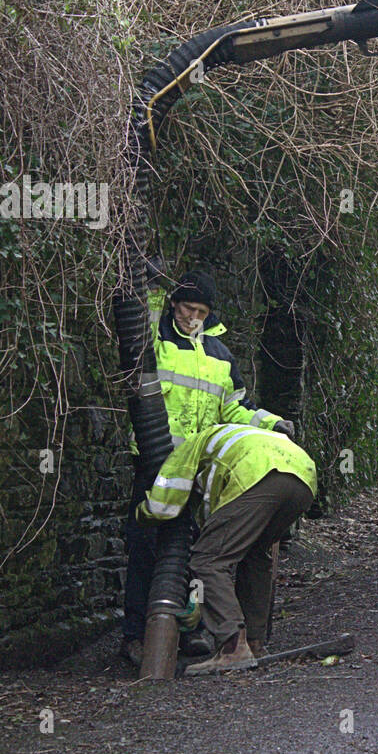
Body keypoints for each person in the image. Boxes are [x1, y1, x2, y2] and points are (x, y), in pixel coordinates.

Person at [120, 269, 294, 666]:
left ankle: (188, 632)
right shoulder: (156, 343)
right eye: (186, 308)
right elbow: (140, 320)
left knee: (192, 550)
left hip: (196, 472)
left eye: (200, 311)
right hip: (153, 464)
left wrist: (271, 424)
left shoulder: (220, 357)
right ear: (174, 306)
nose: (192, 317)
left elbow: (235, 409)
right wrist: (154, 286)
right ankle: (136, 636)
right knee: (146, 549)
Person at [137, 423, 318, 675]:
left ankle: (233, 646)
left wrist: (140, 516)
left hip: (259, 473)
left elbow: (163, 506)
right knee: (255, 554)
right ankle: (254, 643)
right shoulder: (237, 434)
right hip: (303, 476)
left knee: (207, 560)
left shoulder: (186, 450)